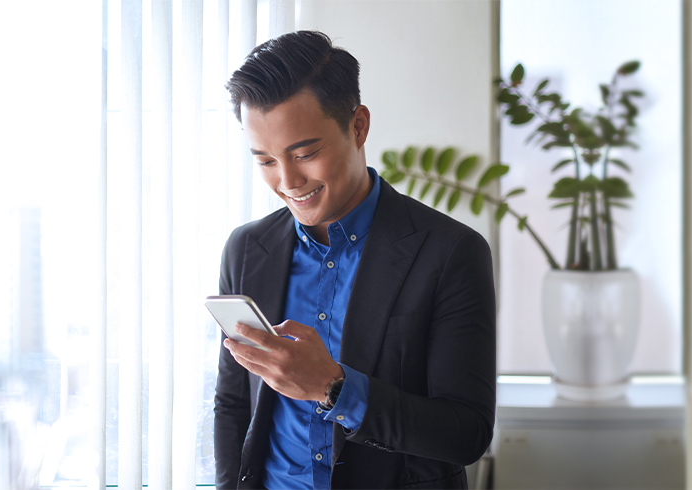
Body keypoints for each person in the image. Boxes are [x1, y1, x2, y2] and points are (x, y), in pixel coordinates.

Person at [213, 31, 496, 489]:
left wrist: (333, 387)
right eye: (265, 160)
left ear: (358, 126)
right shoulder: (246, 249)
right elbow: (232, 403)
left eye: (305, 153)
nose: (288, 181)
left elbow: (466, 434)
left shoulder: (450, 252)